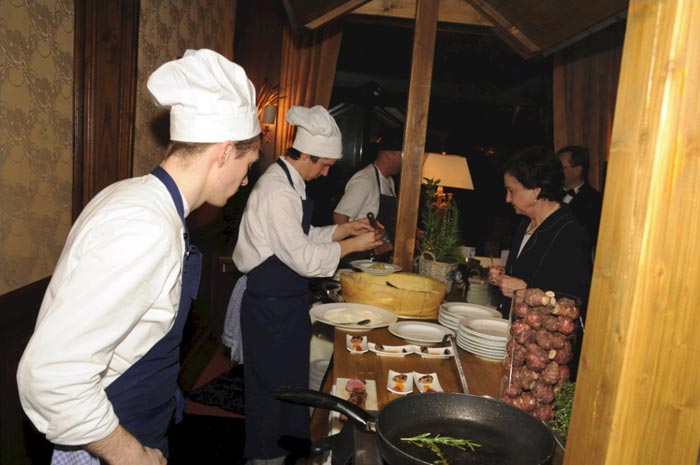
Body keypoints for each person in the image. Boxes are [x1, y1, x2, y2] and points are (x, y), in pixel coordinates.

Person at [16, 49, 261, 465]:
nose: (245, 179)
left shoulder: (144, 200)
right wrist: (131, 455)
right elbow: (52, 377)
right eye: (248, 163)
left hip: (140, 426)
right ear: (223, 153)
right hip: (107, 446)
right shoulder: (144, 226)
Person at [232, 105, 383, 465]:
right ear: (307, 155)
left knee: (291, 389)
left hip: (286, 303)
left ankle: (287, 453)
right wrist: (353, 246)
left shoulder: (291, 182)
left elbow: (300, 238)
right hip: (270, 308)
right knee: (272, 394)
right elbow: (302, 258)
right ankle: (266, 459)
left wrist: (343, 230)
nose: (325, 172)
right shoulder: (277, 191)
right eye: (324, 165)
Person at [490, 146, 593, 319]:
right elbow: (531, 272)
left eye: (511, 191)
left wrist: (525, 292)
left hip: (539, 333)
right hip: (512, 326)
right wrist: (503, 276)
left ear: (535, 190)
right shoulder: (525, 222)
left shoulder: (571, 233)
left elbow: (575, 301)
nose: (507, 199)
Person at [332, 131, 402, 241]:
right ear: (388, 155)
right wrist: (353, 244)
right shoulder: (364, 180)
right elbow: (339, 217)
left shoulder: (389, 181)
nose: (405, 160)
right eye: (402, 155)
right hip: (363, 250)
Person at [557, 145, 603, 249]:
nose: (555, 170)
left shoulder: (594, 200)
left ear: (577, 170)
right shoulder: (549, 193)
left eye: (561, 167)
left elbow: (589, 237)